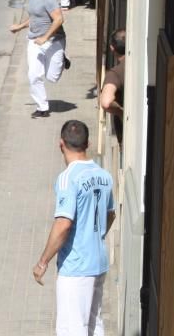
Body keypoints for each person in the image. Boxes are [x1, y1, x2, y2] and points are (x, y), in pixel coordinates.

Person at [33, 121, 115, 335]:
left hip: (76, 267)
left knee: (72, 329)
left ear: (61, 144)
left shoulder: (68, 179)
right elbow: (111, 214)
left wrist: (43, 262)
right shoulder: (104, 176)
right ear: (87, 143)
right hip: (99, 263)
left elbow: (63, 224)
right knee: (94, 324)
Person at [8, 0, 67, 118]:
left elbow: (59, 19)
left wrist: (45, 37)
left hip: (53, 41)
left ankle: (62, 59)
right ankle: (42, 108)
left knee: (52, 78)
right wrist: (19, 27)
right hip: (34, 40)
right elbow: (35, 17)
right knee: (34, 75)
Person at [99, 29, 126, 144]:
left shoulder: (115, 73)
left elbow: (106, 102)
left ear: (112, 48)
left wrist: (121, 112)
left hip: (127, 137)